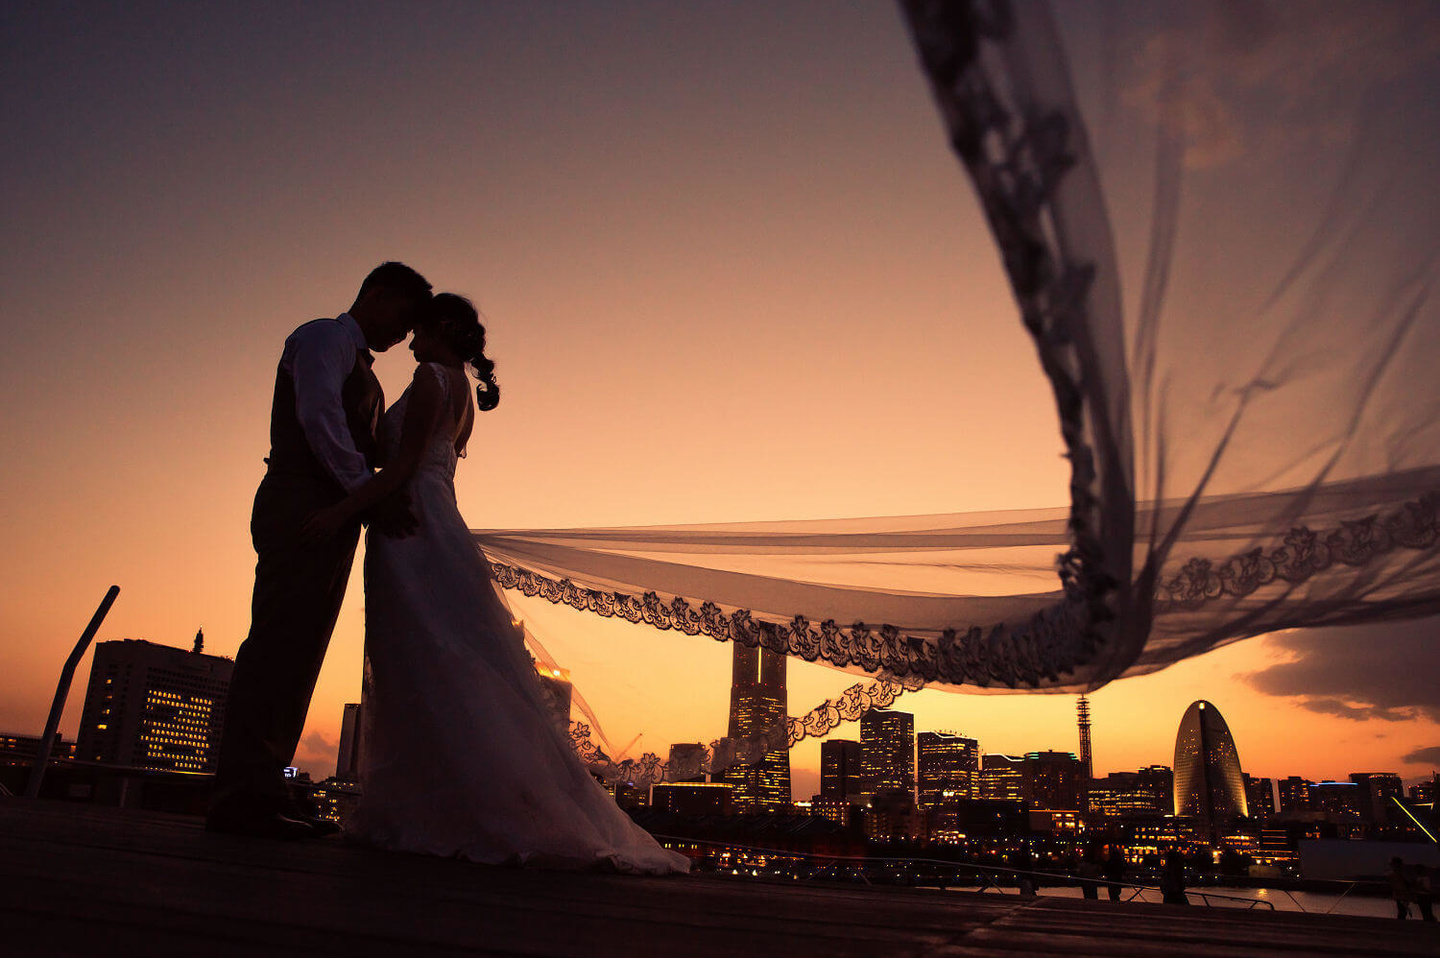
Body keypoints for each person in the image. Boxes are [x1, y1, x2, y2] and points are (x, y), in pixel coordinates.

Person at [304, 293, 688, 873]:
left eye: (419, 331)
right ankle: (448, 809)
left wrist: (341, 510)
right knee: (441, 659)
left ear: (441, 329)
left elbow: (403, 466)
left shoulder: (432, 379)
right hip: (436, 518)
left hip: (410, 524)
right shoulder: (461, 391)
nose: (411, 341)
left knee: (418, 658)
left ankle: (433, 813)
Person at [208, 263, 433, 840]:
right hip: (303, 502)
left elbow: (362, 441)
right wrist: (363, 492)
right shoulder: (322, 338)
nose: (405, 333)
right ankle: (240, 797)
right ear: (376, 295)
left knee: (302, 651)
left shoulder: (367, 373)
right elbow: (319, 416)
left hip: (336, 511)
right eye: (403, 317)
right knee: (277, 643)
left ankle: (265, 789)